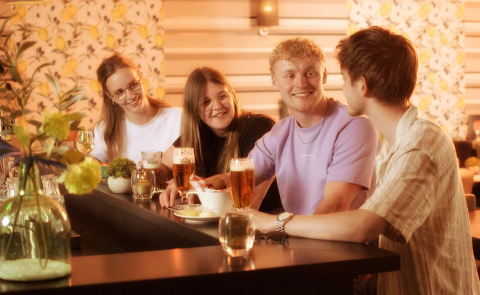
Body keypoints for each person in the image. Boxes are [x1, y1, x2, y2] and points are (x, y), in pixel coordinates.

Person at [250, 27, 480, 294]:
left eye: (344, 79)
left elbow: (364, 226)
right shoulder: (398, 141)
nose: (342, 90)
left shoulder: (421, 144)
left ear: (362, 85)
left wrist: (273, 222)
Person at [247, 37, 379, 215]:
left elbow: (334, 207)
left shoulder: (355, 126)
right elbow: (240, 178)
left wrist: (274, 225)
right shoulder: (279, 132)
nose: (301, 84)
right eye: (290, 76)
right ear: (274, 82)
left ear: (324, 75)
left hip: (339, 241)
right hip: (294, 238)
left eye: (310, 73)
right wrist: (206, 184)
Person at [159, 67, 282, 212]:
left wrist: (197, 187)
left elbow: (250, 202)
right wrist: (152, 174)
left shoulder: (260, 127)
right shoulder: (200, 132)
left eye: (222, 96)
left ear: (233, 95)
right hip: (217, 222)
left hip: (265, 225)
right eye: (205, 102)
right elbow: (165, 165)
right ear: (194, 110)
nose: (217, 106)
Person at [90, 54, 181, 165]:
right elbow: (93, 163)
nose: (130, 96)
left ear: (141, 77)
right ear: (110, 96)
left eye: (133, 85)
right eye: (119, 92)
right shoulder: (105, 128)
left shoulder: (178, 119)